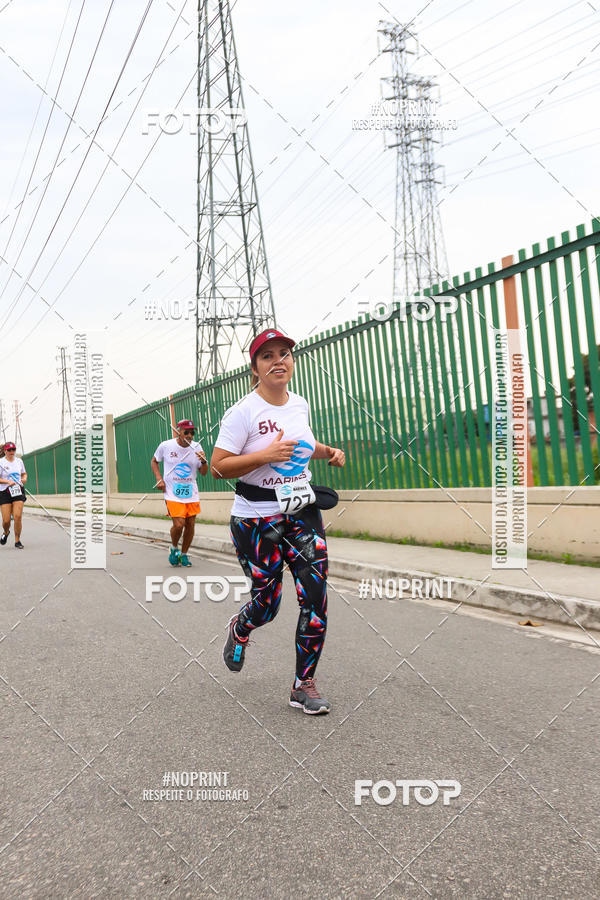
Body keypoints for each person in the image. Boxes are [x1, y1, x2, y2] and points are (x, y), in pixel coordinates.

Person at [211, 329, 345, 715]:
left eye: (284, 353)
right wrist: (265, 455)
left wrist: (329, 452)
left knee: (315, 598)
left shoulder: (299, 404)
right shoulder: (243, 412)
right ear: (255, 368)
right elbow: (219, 466)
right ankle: (242, 627)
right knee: (267, 604)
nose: (278, 361)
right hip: (255, 520)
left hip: (301, 513)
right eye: (267, 356)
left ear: (293, 360)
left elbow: (303, 445)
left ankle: (303, 684)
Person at [151, 419, 208, 567]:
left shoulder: (197, 447)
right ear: (178, 432)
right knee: (179, 524)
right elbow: (154, 461)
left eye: (192, 432)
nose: (190, 435)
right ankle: (174, 548)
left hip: (191, 492)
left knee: (190, 524)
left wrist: (204, 462)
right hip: (171, 491)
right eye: (186, 432)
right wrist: (159, 479)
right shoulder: (166, 445)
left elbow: (203, 473)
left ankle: (184, 555)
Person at [0, 442, 27, 549]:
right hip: (4, 492)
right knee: (6, 520)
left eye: (13, 450)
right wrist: (7, 482)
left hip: (18, 490)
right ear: (5, 451)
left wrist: (24, 479)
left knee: (17, 516)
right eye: (9, 450)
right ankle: (6, 532)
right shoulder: (1, 462)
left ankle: (17, 540)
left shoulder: (19, 461)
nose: (12, 452)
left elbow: (24, 473)